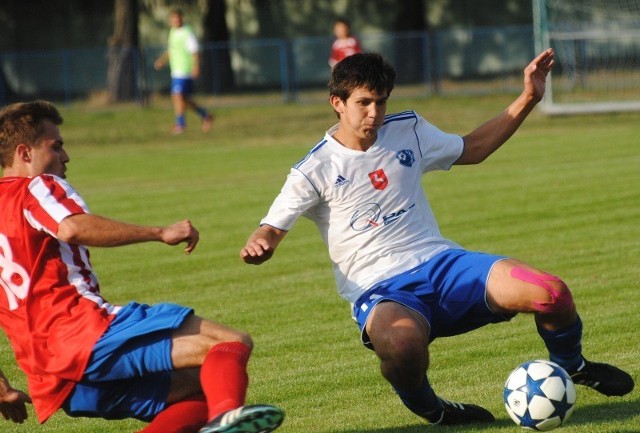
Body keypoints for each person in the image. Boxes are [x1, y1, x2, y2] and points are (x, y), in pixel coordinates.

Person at [240, 50, 634, 425]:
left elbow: (474, 148)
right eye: (364, 103)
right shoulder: (314, 169)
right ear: (337, 103)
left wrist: (529, 96)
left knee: (552, 293)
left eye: (381, 101)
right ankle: (436, 411)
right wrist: (262, 243)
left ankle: (572, 365)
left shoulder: (407, 129)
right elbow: (271, 227)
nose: (375, 113)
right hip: (382, 290)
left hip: (443, 264)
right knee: (402, 347)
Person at [0, 101, 283, 433]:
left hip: (50, 376)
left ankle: (220, 416)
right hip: (82, 335)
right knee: (229, 343)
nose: (66, 156)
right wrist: (159, 232)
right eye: (56, 146)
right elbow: (72, 227)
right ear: (24, 153)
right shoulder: (36, 186)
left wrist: (2, 388)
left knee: (198, 392)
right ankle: (226, 423)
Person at [154, 8, 213, 135]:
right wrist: (162, 60)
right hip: (176, 70)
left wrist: (196, 67)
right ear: (171, 20)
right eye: (173, 18)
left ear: (181, 18)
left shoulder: (187, 32)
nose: (176, 20)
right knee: (182, 99)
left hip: (185, 70)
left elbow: (195, 51)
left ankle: (181, 125)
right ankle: (205, 115)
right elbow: (171, 50)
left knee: (177, 96)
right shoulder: (173, 32)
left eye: (178, 17)